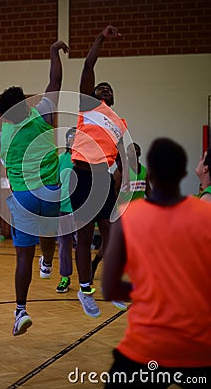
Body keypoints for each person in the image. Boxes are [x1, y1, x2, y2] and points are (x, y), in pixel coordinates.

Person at [102, 138, 211, 388]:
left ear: (148, 172)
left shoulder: (127, 220)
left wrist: (152, 292)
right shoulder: (207, 215)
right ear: (184, 173)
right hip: (200, 346)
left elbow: (110, 288)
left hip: (148, 345)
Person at [0, 40, 69, 336]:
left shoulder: (4, 132)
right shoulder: (41, 114)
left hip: (24, 197)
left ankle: (21, 311)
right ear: (25, 103)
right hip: (50, 191)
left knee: (22, 256)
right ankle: (49, 263)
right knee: (49, 233)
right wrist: (53, 53)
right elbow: (55, 80)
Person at [69, 25, 128, 318]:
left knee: (111, 234)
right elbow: (88, 64)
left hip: (103, 179)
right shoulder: (87, 105)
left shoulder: (119, 122)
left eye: (108, 88)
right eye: (99, 87)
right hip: (81, 174)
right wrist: (101, 38)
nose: (103, 88)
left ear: (114, 98)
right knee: (83, 233)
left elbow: (119, 157)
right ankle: (85, 289)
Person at [90, 143, 149, 302]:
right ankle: (97, 266)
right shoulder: (121, 172)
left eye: (137, 152)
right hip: (121, 214)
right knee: (113, 247)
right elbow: (113, 192)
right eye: (131, 152)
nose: (134, 155)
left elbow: (148, 191)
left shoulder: (144, 172)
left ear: (139, 154)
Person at [56, 127, 77, 293]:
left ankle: (86, 280)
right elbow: (55, 184)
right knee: (64, 245)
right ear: (67, 141)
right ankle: (65, 277)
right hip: (63, 207)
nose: (75, 140)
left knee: (83, 245)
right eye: (72, 138)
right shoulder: (61, 159)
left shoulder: (86, 161)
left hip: (81, 209)